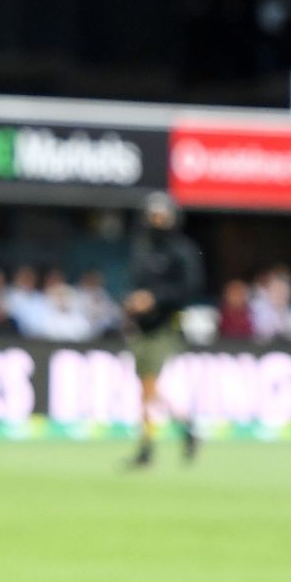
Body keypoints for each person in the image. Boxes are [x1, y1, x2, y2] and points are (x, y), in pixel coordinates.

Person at [122, 195, 203, 468]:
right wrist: (133, 303)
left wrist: (155, 299)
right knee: (145, 390)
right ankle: (179, 431)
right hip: (142, 329)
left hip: (166, 328)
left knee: (150, 387)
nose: (157, 221)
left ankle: (153, 444)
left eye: (161, 216)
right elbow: (136, 285)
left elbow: (188, 289)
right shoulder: (143, 250)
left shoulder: (181, 251)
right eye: (153, 215)